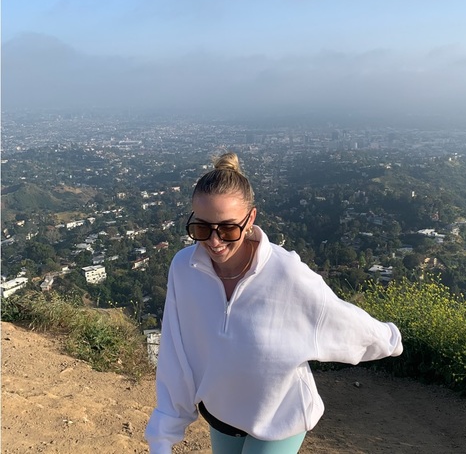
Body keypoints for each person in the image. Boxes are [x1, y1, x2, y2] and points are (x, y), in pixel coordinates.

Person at [146, 153, 403, 454]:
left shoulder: (286, 274)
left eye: (228, 229)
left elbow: (338, 319)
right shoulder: (184, 269)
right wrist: (163, 435)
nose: (214, 242)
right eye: (202, 228)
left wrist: (392, 339)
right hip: (221, 415)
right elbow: (176, 353)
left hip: (280, 419)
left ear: (250, 219)